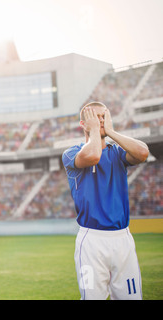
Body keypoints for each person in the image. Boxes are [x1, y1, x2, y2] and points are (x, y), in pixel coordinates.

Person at [62, 101, 149, 300]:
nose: (100, 120)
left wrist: (111, 131)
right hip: (91, 241)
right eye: (94, 116)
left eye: (104, 116)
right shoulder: (72, 153)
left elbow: (143, 153)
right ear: (83, 123)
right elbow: (92, 155)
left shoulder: (117, 152)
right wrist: (95, 131)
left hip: (122, 239)